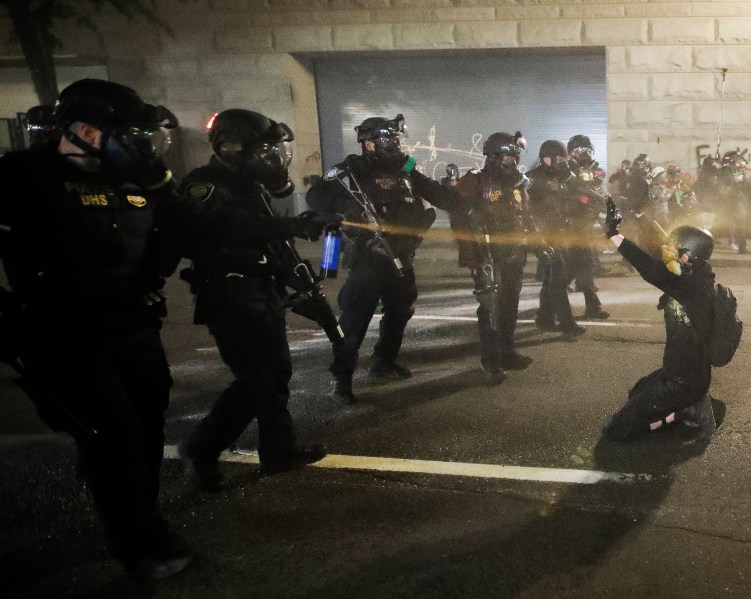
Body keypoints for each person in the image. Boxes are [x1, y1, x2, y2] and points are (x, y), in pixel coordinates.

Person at [0, 79, 194, 579]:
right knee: (112, 435)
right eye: (128, 135)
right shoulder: (20, 178)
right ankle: (136, 543)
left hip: (132, 325)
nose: (138, 146)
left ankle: (145, 520)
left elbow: (178, 228)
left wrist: (153, 271)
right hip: (62, 334)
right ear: (85, 130)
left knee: (148, 427)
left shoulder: (132, 177)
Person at [176, 109, 337, 490]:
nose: (272, 159)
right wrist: (293, 225)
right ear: (233, 148)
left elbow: (268, 239)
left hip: (261, 291)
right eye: (263, 152)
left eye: (273, 152)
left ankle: (278, 449)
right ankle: (201, 447)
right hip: (230, 294)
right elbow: (226, 225)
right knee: (256, 380)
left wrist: (294, 273)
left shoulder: (251, 185)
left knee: (277, 373)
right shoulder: (205, 183)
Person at [306, 114, 456, 403]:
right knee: (355, 319)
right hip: (370, 257)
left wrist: (463, 203)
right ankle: (343, 380)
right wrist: (347, 209)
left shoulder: (406, 167)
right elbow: (317, 196)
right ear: (369, 143)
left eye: (396, 139)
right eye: (387, 139)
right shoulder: (352, 169)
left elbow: (432, 191)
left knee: (400, 311)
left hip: (402, 255)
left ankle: (384, 363)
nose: (394, 144)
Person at [601, 199, 718, 442]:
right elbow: (659, 252)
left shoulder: (688, 289)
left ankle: (688, 410)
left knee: (620, 429)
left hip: (684, 381)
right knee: (638, 391)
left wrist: (615, 236)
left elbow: (649, 267)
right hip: (679, 372)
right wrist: (636, 221)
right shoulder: (697, 277)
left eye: (676, 252)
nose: (669, 253)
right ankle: (686, 405)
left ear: (688, 258)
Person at [454, 131, 547, 379]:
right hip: (488, 256)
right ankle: (491, 361)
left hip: (514, 253)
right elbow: (460, 222)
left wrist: (540, 245)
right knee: (490, 310)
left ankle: (507, 352)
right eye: (507, 157)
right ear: (493, 157)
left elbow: (527, 217)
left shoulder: (519, 184)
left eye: (515, 157)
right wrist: (471, 258)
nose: (512, 162)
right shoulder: (475, 182)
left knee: (509, 306)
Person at [526, 140, 586, 338]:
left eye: (563, 158)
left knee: (555, 279)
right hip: (545, 235)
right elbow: (525, 208)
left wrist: (569, 176)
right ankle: (566, 323)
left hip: (563, 233)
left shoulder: (563, 176)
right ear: (546, 158)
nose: (561, 161)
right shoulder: (532, 178)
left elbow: (582, 195)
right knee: (558, 277)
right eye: (557, 158)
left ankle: (544, 317)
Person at [565, 134, 610, 319]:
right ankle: (549, 310)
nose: (585, 155)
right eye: (581, 151)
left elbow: (599, 192)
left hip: (585, 224)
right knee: (564, 271)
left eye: (587, 151)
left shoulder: (594, 170)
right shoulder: (565, 170)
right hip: (567, 225)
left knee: (584, 264)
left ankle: (592, 306)